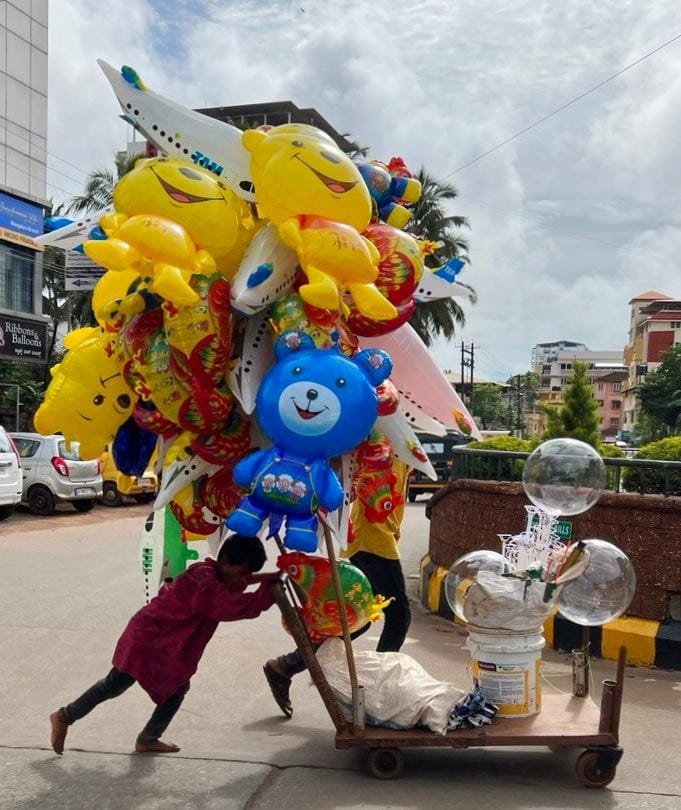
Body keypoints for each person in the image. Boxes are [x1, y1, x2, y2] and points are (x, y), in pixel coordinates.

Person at [50, 533, 278, 755]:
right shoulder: (204, 581)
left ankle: (147, 738)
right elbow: (230, 605)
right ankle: (65, 716)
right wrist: (267, 593)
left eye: (247, 574)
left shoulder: (214, 575)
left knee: (172, 688)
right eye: (241, 572)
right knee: (117, 684)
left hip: (160, 640)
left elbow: (237, 583)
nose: (242, 579)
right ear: (226, 560)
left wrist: (269, 578)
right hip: (148, 639)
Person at [263, 458, 412, 717]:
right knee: (399, 616)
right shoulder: (384, 442)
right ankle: (380, 688)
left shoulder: (401, 449)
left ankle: (285, 666)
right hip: (374, 539)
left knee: (356, 621)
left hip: (372, 537)